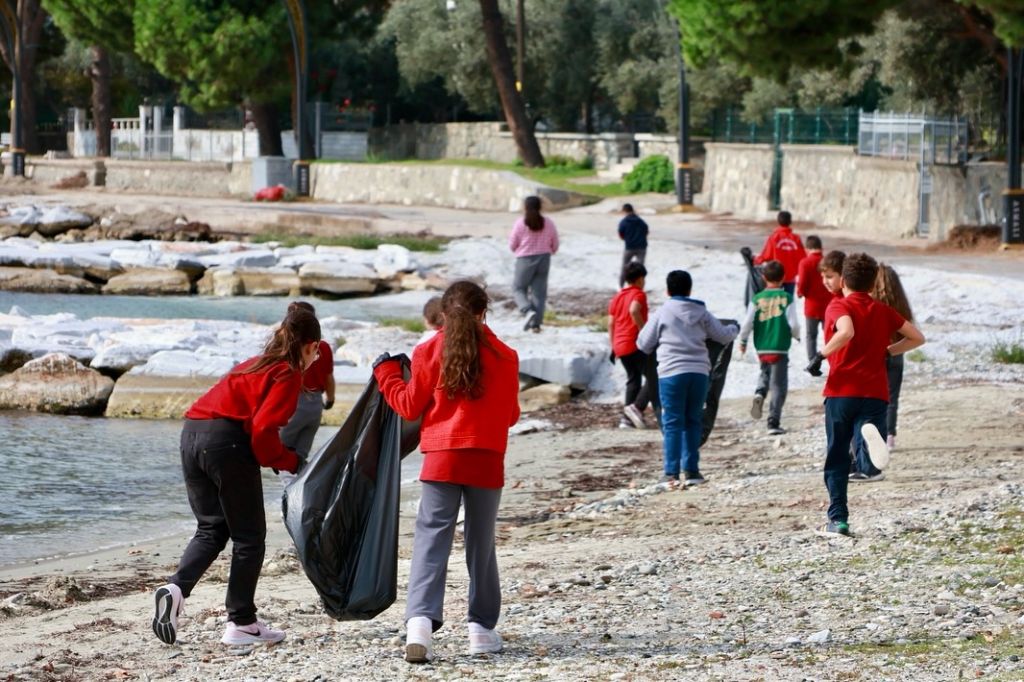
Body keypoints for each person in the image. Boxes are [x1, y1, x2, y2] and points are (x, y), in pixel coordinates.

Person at [152, 306, 321, 646]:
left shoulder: (252, 364)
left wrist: (277, 458)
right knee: (250, 537)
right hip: (226, 443)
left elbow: (252, 425)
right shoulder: (287, 373)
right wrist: (291, 462)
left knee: (212, 528)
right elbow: (262, 432)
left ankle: (175, 589)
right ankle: (241, 623)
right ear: (310, 346)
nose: (316, 357)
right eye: (316, 351)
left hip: (192, 433)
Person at [373, 281, 520, 663]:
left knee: (431, 539)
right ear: (483, 312)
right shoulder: (506, 355)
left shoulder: (429, 350)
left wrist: (387, 374)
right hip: (487, 457)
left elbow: (408, 406)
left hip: (442, 456)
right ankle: (481, 630)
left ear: (443, 313)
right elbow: (511, 415)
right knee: (481, 544)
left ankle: (420, 626)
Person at [805, 253, 925, 536]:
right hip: (875, 392)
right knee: (866, 444)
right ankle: (869, 459)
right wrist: (888, 351)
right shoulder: (883, 310)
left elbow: (846, 331)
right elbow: (917, 337)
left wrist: (820, 355)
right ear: (873, 283)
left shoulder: (838, 305)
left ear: (843, 281)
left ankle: (838, 520)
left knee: (837, 456)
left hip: (842, 390)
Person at [637, 270, 739, 486]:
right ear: (690, 290)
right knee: (693, 420)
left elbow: (643, 343)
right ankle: (692, 472)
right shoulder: (702, 312)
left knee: (673, 422)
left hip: (671, 374)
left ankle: (671, 473)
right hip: (699, 373)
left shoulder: (663, 312)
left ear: (667, 291)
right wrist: (735, 327)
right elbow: (723, 336)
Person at [850, 263, 916, 481]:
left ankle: (866, 446)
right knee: (892, 397)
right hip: (896, 354)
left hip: (874, 356)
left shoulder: (872, 306)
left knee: (869, 400)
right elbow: (911, 333)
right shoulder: (900, 305)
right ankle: (889, 435)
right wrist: (892, 350)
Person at [738, 260, 800, 435]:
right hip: (779, 346)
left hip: (762, 346)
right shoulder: (786, 298)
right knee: (779, 385)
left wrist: (743, 341)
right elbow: (794, 324)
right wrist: (796, 335)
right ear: (783, 278)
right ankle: (773, 421)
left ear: (764, 278)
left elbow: (747, 323)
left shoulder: (757, 299)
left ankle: (759, 393)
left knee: (765, 372)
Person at [279, 302, 335, 467]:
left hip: (294, 403)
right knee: (300, 456)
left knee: (279, 451)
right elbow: (329, 378)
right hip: (315, 405)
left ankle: (287, 483)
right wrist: (330, 399)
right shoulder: (323, 347)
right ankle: (299, 482)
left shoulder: (287, 346)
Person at [608, 261, 652, 429]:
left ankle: (626, 420)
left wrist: (613, 345)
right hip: (634, 343)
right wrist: (644, 332)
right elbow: (634, 310)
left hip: (620, 345)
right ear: (640, 279)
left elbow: (611, 323)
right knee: (655, 377)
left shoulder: (617, 297)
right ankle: (637, 408)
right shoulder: (638, 294)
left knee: (633, 379)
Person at [508, 195, 559, 333]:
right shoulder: (548, 222)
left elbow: (512, 244)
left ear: (525, 207)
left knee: (518, 288)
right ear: (540, 207)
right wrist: (551, 250)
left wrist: (518, 249)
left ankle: (527, 310)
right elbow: (555, 243)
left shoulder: (520, 223)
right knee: (539, 293)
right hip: (544, 258)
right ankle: (536, 324)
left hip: (525, 258)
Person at [754, 211, 806, 296]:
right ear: (790, 222)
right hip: (790, 278)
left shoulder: (773, 238)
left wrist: (755, 260)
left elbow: (766, 256)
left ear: (778, 221)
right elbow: (802, 257)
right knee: (788, 301)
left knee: (774, 302)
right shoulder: (796, 238)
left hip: (775, 277)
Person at [796, 236, 832, 361]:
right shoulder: (828, 262)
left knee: (811, 336)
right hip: (828, 305)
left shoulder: (805, 262)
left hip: (812, 306)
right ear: (821, 248)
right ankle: (832, 360)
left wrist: (800, 293)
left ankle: (812, 362)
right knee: (829, 335)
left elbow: (802, 283)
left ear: (807, 249)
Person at [617, 203, 648, 287]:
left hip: (629, 247)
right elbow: (646, 231)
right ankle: (640, 287)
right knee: (640, 269)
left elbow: (621, 235)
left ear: (624, 211)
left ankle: (621, 287)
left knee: (625, 267)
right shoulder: (641, 221)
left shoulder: (623, 222)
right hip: (642, 247)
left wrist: (627, 239)